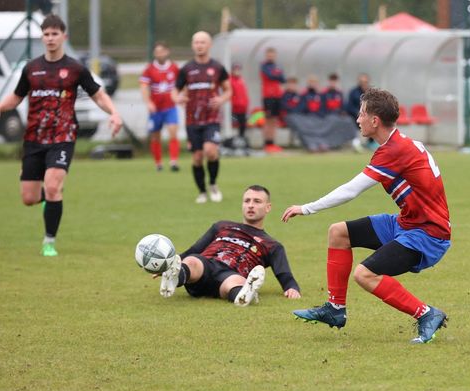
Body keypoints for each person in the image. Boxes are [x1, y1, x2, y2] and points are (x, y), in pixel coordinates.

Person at [282, 88, 451, 344]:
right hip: (407, 223)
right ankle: (335, 309)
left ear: (375, 120)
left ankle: (427, 314)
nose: (357, 119)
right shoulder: (398, 144)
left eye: (361, 114)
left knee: (364, 274)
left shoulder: (394, 150)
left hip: (428, 235)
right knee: (338, 233)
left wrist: (307, 208)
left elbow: (351, 190)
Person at [0, 14, 122, 257]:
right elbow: (16, 96)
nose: (50, 38)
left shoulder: (75, 68)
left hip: (63, 137)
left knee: (51, 186)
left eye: (54, 34)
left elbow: (98, 95)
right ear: (42, 37)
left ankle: (49, 241)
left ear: (63, 37)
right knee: (29, 198)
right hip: (34, 139)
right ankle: (51, 198)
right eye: (46, 34)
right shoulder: (32, 68)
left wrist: (114, 113)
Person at [154, 185, 301, 306]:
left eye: (257, 201)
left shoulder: (272, 245)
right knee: (192, 260)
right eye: (247, 201)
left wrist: (291, 288)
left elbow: (284, 274)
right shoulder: (222, 226)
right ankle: (174, 277)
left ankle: (242, 296)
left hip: (230, 275)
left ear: (268, 207)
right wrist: (169, 264)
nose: (250, 205)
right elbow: (195, 249)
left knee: (237, 282)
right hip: (206, 267)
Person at [172, 31, 231, 204]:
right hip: (192, 119)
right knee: (197, 157)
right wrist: (177, 98)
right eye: (196, 42)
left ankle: (213, 184)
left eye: (202, 42)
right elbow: (175, 90)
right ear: (192, 45)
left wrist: (221, 99)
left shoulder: (218, 68)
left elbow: (228, 90)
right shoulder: (186, 69)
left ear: (209, 45)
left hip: (212, 118)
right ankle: (202, 192)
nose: (199, 45)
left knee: (210, 151)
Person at [140, 41, 181, 171]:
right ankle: (158, 163)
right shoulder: (149, 69)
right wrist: (148, 102)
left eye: (162, 51)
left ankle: (174, 162)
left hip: (170, 107)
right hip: (156, 109)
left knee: (173, 132)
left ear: (167, 52)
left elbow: (181, 84)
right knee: (155, 136)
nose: (159, 54)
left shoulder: (174, 68)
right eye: (157, 52)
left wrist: (180, 97)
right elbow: (144, 87)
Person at [260, 47, 285, 153]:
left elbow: (282, 79)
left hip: (277, 96)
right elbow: (270, 76)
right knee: (268, 120)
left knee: (274, 120)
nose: (271, 57)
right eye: (269, 55)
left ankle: (272, 143)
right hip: (268, 96)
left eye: (272, 55)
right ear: (266, 56)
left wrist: (277, 74)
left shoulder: (277, 66)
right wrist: (277, 74)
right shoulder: (264, 65)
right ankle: (267, 143)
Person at [230, 63, 250, 149]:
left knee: (243, 125)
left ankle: (241, 141)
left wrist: (246, 104)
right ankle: (232, 142)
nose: (237, 71)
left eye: (239, 69)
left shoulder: (241, 80)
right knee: (233, 124)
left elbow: (244, 94)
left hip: (242, 107)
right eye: (236, 69)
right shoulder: (230, 80)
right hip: (234, 108)